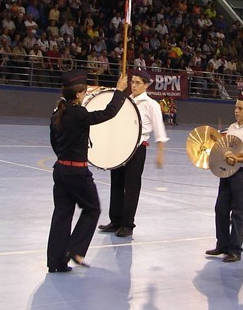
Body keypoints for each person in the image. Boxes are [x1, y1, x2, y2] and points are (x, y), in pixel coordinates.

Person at [47, 70, 129, 272]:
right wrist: (119, 92)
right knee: (92, 209)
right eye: (83, 92)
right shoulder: (79, 114)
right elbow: (108, 113)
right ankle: (74, 250)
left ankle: (55, 262)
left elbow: (54, 143)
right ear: (78, 94)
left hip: (60, 170)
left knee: (62, 215)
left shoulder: (57, 113)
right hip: (77, 173)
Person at [99, 69, 168, 238]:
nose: (134, 85)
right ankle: (115, 219)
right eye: (132, 82)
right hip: (120, 147)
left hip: (137, 148)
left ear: (146, 85)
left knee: (131, 186)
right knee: (116, 183)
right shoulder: (126, 100)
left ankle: (127, 224)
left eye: (138, 83)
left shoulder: (151, 104)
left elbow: (159, 130)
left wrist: (160, 153)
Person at [205, 93, 243, 263]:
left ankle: (235, 249)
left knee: (238, 212)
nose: (236, 111)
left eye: (240, 108)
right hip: (228, 172)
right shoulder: (231, 127)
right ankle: (222, 244)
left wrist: (238, 159)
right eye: (235, 107)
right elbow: (226, 149)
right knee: (221, 208)